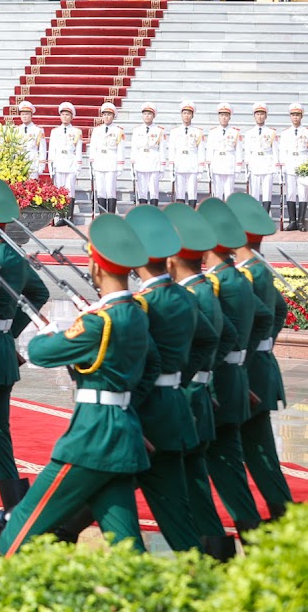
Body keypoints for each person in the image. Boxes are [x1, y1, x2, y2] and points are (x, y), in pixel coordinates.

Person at [0, 214, 152, 559]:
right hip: (124, 429)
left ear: (97, 270)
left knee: (31, 513)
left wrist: (53, 333)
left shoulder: (98, 322)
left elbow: (43, 352)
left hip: (92, 436)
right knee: (125, 540)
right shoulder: (137, 313)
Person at [120, 205, 203, 552]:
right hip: (174, 409)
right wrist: (181, 379)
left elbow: (137, 365)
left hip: (148, 416)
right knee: (174, 512)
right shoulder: (186, 295)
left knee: (105, 496)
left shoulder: (144, 304)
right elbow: (210, 340)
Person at [0, 178, 50, 513]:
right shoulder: (15, 255)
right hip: (2, 356)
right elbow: (40, 294)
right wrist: (10, 330)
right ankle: (18, 520)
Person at [163, 203, 233, 558]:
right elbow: (227, 337)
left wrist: (191, 377)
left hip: (186, 397)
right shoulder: (205, 288)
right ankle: (216, 555)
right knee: (194, 485)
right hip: (197, 392)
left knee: (184, 483)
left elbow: (212, 341)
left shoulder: (193, 293)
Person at [195, 198, 263, 539]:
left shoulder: (218, 284)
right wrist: (244, 362)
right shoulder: (236, 278)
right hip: (232, 380)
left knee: (177, 468)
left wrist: (204, 382)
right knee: (229, 473)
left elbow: (217, 338)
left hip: (216, 387)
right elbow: (264, 317)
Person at [226, 194, 294, 524]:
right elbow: (277, 312)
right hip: (260, 369)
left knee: (216, 453)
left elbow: (263, 317)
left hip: (245, 374)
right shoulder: (258, 269)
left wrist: (245, 356)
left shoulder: (246, 275)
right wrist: (264, 347)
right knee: (261, 453)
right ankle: (284, 519)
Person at [87, 103, 125, 214]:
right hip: (99, 163)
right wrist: (91, 164)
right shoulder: (97, 130)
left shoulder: (118, 131)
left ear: (113, 116)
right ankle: (102, 215)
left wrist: (120, 165)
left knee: (110, 191)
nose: (106, 117)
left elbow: (121, 149)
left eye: (109, 114)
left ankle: (111, 215)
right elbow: (93, 147)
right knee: (101, 191)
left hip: (111, 163)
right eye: (104, 114)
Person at [170, 100, 205, 208]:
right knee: (179, 192)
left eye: (189, 113)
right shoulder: (174, 131)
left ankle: (192, 217)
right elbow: (172, 150)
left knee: (192, 193)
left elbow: (201, 150)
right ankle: (180, 216)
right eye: (184, 113)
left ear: (192, 115)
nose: (186, 115)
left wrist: (200, 169)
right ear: (181, 115)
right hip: (179, 164)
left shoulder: (198, 132)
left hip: (192, 165)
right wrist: (171, 167)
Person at [245, 103, 278, 213]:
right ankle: (255, 217)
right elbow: (247, 151)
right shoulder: (249, 133)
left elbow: (275, 151)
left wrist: (275, 167)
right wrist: (247, 166)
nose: (260, 116)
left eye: (262, 114)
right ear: (254, 116)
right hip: (254, 164)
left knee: (267, 193)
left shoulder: (271, 132)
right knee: (254, 193)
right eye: (257, 114)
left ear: (266, 116)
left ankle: (265, 216)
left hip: (267, 164)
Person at [130, 103, 164, 206]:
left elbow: (162, 150)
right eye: (145, 113)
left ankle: (154, 215)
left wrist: (162, 167)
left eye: (149, 114)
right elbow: (134, 148)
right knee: (142, 192)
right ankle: (143, 214)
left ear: (153, 115)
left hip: (154, 163)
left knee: (154, 192)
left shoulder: (159, 131)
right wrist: (133, 166)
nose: (147, 116)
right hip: (141, 163)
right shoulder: (137, 130)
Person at [207, 102, 242, 199]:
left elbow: (238, 151)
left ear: (229, 117)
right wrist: (208, 167)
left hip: (229, 166)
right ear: (218, 117)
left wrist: (238, 168)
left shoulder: (235, 132)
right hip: (217, 165)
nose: (224, 118)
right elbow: (209, 150)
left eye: (226, 115)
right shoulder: (213, 132)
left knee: (229, 194)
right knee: (217, 194)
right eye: (222, 115)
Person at [281, 103, 307, 230]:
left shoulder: (306, 131)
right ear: (290, 116)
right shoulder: (286, 133)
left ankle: (301, 221)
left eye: (297, 115)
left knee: (303, 193)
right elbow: (282, 150)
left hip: (303, 165)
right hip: (290, 163)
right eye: (293, 115)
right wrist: (282, 166)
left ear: (301, 116)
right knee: (290, 193)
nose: (295, 117)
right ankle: (292, 221)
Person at [16, 100, 45, 177]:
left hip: (33, 163)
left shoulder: (38, 130)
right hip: (19, 164)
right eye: (22, 114)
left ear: (31, 115)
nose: (24, 116)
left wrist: (41, 166)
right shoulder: (16, 130)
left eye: (27, 114)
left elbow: (42, 149)